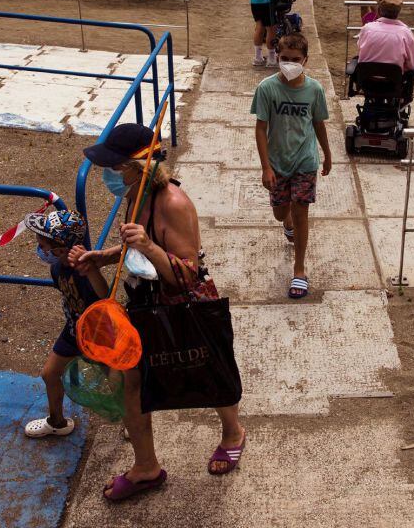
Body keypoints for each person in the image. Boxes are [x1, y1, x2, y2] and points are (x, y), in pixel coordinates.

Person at [69, 123, 246, 501]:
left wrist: (149, 247)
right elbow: (135, 249)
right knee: (134, 383)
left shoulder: (174, 204)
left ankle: (233, 432)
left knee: (207, 369)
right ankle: (146, 467)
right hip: (145, 302)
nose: (108, 176)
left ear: (139, 167)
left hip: (183, 303)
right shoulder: (134, 194)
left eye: (115, 168)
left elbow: (186, 273)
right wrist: (102, 258)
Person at [251, 32, 332, 299]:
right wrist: (266, 167)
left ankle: (299, 270)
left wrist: (327, 154)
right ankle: (285, 222)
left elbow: (318, 123)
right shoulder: (267, 88)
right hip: (277, 163)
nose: (289, 63)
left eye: (295, 59)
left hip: (305, 161)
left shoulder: (314, 90)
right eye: (284, 58)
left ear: (305, 60)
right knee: (280, 212)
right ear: (278, 56)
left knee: (301, 213)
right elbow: (261, 128)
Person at [22, 209, 109, 439]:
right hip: (73, 330)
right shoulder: (57, 268)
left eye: (42, 242)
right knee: (50, 374)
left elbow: (104, 295)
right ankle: (57, 422)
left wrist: (91, 269)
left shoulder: (84, 269)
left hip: (100, 335)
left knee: (121, 382)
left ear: (60, 248)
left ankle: (132, 420)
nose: (40, 247)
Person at [354, 0, 414, 102]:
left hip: (367, 82)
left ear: (379, 10)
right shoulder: (405, 33)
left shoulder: (367, 29)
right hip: (393, 83)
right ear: (398, 12)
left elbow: (360, 48)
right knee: (410, 70)